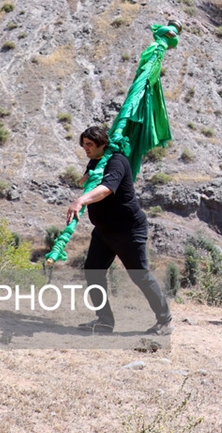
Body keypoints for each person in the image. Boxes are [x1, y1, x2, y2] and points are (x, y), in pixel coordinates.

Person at [68, 126, 172, 335]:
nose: (85, 149)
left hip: (128, 230)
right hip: (104, 230)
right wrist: (86, 178)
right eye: (83, 145)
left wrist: (81, 200)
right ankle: (104, 321)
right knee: (93, 271)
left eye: (89, 145)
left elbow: (107, 188)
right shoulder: (97, 161)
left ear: (102, 145)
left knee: (139, 275)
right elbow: (90, 179)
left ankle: (165, 321)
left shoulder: (116, 161)